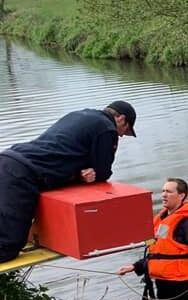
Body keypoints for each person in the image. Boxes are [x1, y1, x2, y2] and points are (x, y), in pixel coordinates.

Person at [0, 101, 137, 262]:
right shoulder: (107, 128)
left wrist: (81, 172)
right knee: (8, 246)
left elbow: (65, 150)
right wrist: (84, 175)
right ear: (121, 119)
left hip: (8, 159)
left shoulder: (78, 114)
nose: (120, 135)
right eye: (123, 131)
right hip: (23, 175)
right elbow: (102, 172)